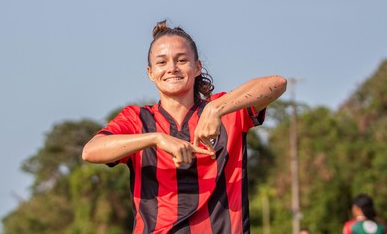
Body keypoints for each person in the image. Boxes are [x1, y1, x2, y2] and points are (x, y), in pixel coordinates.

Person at [82, 20, 287, 233]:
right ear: (150, 72)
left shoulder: (227, 112)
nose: (172, 68)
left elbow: (277, 83)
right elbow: (91, 151)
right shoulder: (137, 119)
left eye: (181, 60)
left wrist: (216, 108)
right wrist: (156, 138)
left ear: (197, 67)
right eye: (162, 63)